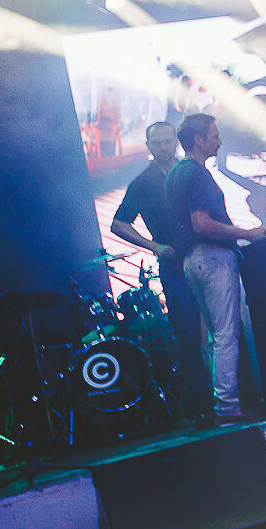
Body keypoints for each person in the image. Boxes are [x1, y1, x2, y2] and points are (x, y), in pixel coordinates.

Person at [165, 113, 266, 423]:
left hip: (192, 261)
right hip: (212, 259)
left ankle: (220, 403)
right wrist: (246, 233)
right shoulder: (196, 174)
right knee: (225, 335)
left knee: (214, 337)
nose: (219, 141)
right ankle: (227, 406)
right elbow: (202, 223)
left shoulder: (175, 174)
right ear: (198, 140)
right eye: (214, 135)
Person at [109, 121, 207, 416]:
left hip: (204, 254)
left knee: (223, 326)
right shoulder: (142, 183)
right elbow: (118, 223)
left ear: (176, 141)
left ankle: (240, 393)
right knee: (188, 333)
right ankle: (202, 403)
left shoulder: (190, 171)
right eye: (158, 143)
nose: (164, 147)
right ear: (149, 147)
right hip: (174, 263)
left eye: (168, 141)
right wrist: (155, 247)